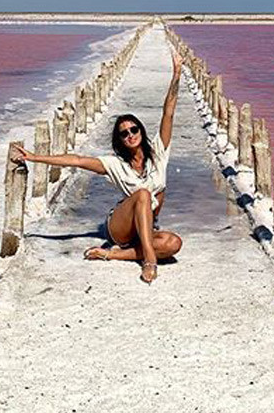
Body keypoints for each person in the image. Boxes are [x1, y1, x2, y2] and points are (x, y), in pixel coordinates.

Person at [10, 49, 183, 284]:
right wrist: (35, 157)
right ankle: (149, 260)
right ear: (119, 141)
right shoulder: (116, 164)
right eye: (124, 134)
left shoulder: (159, 154)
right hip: (120, 227)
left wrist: (177, 73)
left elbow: (169, 113)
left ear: (141, 131)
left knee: (174, 244)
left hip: (146, 226)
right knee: (142, 194)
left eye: (134, 130)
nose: (130, 135)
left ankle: (114, 254)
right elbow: (77, 160)